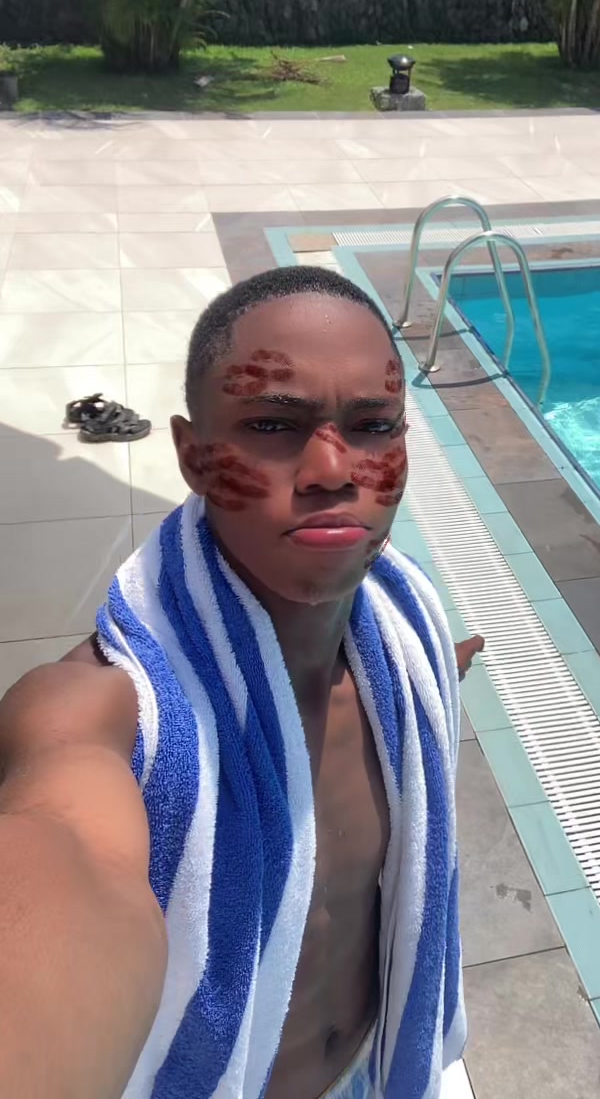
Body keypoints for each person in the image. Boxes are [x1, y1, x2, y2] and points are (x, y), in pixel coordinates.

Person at [0, 266, 483, 1099]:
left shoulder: (406, 650)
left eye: (373, 425)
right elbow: (57, 848)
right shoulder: (103, 712)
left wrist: (448, 662)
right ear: (192, 455)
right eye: (272, 424)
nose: (332, 469)